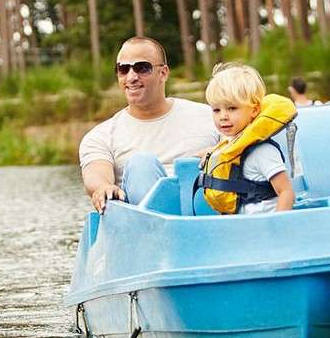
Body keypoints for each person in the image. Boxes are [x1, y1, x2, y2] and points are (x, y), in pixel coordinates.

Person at [79, 36, 219, 212]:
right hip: (146, 224)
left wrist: (219, 152)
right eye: (123, 69)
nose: (131, 77)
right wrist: (103, 187)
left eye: (142, 68)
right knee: (141, 163)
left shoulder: (211, 117)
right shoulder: (101, 136)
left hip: (204, 212)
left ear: (163, 73)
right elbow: (96, 174)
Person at [199, 63, 295, 215]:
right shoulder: (231, 144)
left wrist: (278, 230)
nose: (223, 116)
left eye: (232, 108)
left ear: (255, 110)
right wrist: (210, 154)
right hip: (243, 228)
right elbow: (226, 153)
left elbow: (286, 192)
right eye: (216, 110)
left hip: (264, 229)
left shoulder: (263, 152)